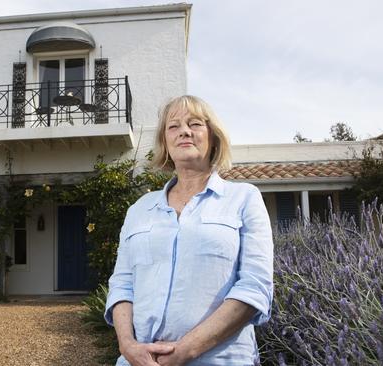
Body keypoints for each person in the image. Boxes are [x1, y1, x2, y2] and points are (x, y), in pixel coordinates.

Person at [104, 95, 274, 366]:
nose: (184, 131)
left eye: (195, 124)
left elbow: (255, 287)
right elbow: (122, 284)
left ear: (213, 137)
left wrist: (186, 351)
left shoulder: (244, 199)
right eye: (173, 126)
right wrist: (127, 346)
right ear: (165, 142)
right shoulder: (139, 209)